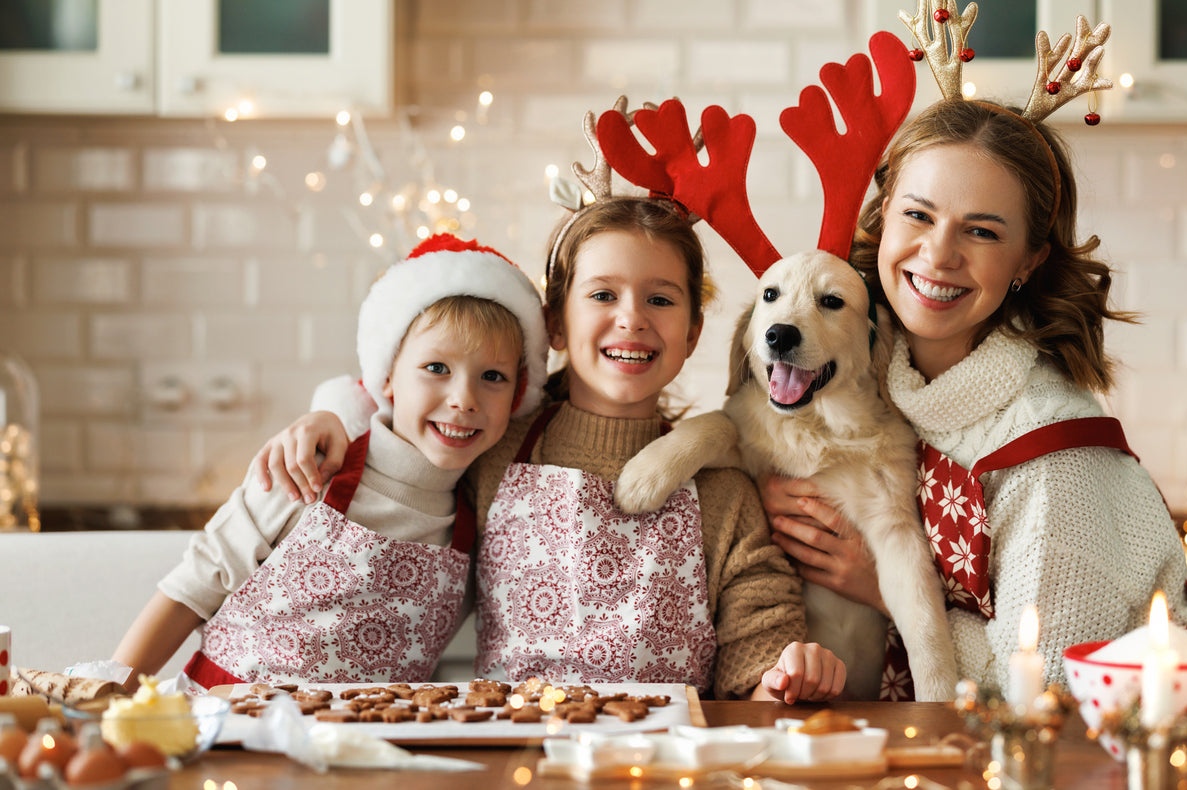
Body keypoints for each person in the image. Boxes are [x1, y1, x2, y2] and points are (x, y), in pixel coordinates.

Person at [253, 198, 845, 703]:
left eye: (660, 300)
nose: (632, 319)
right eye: (603, 294)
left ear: (692, 333)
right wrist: (332, 415)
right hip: (513, 762)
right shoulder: (493, 450)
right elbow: (405, 436)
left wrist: (787, 677)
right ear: (554, 325)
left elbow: (759, 653)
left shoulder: (721, 489)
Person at [758, 98, 1187, 698]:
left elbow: (1045, 694)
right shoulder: (866, 380)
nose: (938, 254)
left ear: (1029, 260)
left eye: (981, 231)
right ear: (882, 220)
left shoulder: (1054, 457)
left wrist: (893, 593)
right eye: (918, 215)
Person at [112, 233, 549, 689]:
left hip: (365, 744)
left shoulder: (480, 518)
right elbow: (190, 591)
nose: (463, 399)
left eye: (493, 376)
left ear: (517, 394)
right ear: (388, 376)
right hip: (230, 723)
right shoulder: (307, 470)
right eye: (436, 368)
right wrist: (109, 695)